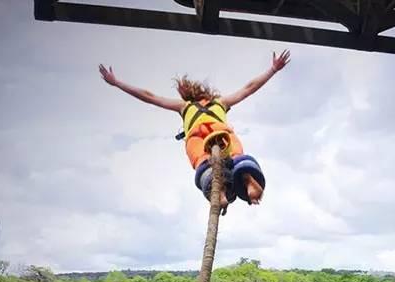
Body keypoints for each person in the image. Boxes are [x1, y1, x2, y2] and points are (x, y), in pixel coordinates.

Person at [99, 50, 290, 214]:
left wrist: (118, 83)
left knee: (204, 166)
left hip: (198, 140)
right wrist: (272, 70)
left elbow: (150, 97)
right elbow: (248, 89)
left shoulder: (184, 106)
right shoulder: (221, 103)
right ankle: (246, 176)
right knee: (238, 158)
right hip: (223, 135)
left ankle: (219, 192)